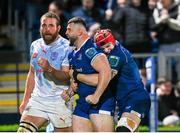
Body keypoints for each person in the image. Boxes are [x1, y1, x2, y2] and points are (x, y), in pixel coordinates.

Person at [70, 29, 151, 132]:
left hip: (135, 98)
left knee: (123, 130)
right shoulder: (106, 52)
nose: (107, 50)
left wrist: (77, 76)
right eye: (103, 48)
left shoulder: (117, 55)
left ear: (113, 41)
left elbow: (104, 78)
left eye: (108, 46)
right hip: (122, 102)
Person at [17, 12, 72, 132]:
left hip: (60, 101)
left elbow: (66, 77)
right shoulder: (35, 45)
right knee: (23, 131)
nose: (47, 29)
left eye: (51, 26)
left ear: (58, 28)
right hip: (38, 99)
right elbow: (32, 73)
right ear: (40, 27)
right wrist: (26, 100)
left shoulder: (67, 47)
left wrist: (49, 69)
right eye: (44, 25)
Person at [65, 17, 115, 132]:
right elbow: (75, 79)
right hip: (83, 103)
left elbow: (106, 73)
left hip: (101, 102)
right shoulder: (72, 54)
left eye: (69, 29)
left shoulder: (91, 49)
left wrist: (96, 96)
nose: (66, 32)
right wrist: (70, 91)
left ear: (80, 32)